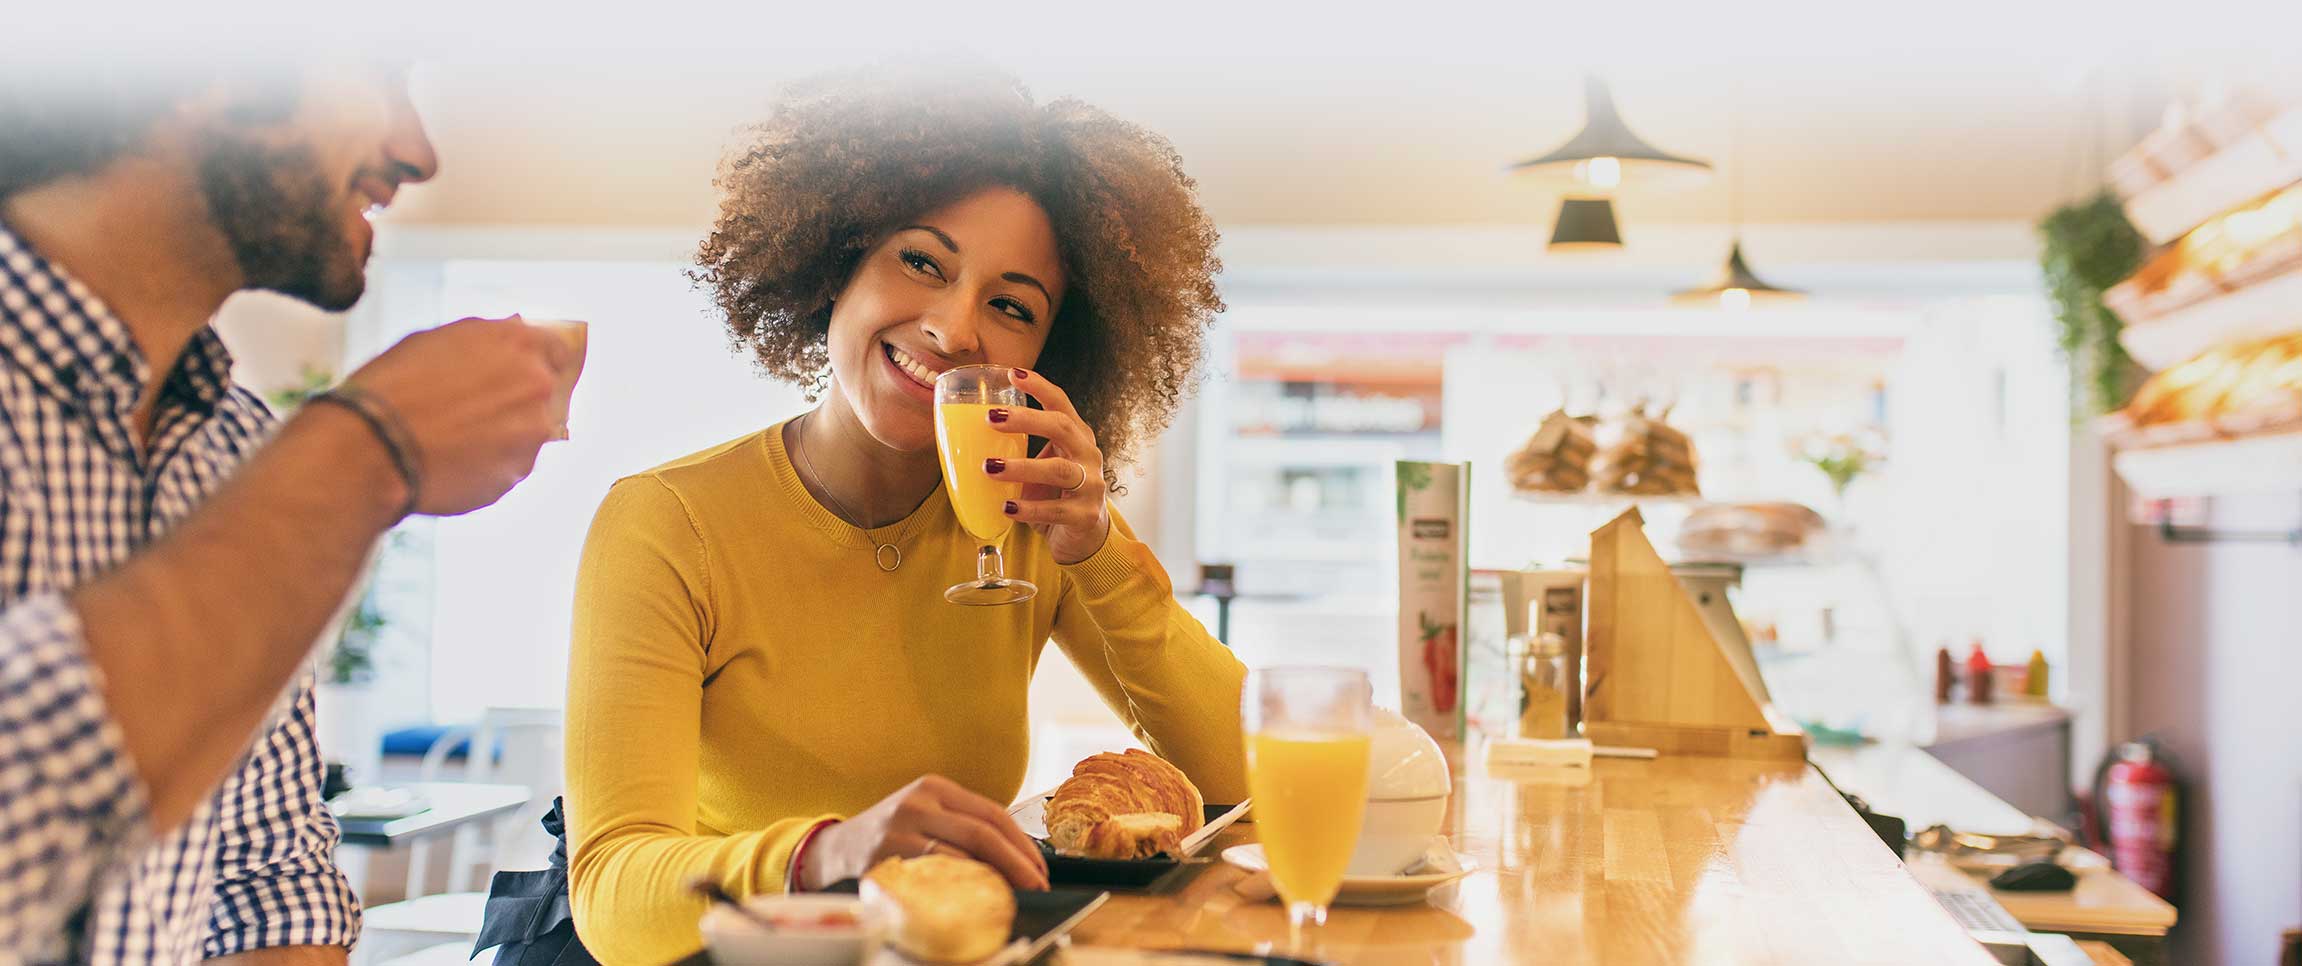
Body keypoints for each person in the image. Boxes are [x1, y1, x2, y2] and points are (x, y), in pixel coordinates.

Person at [561, 65, 1246, 962]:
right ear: (839, 258)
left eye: (1011, 306)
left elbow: (1241, 773)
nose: (957, 329)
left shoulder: (1028, 524)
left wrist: (1099, 550)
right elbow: (611, 899)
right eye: (921, 261)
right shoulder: (667, 523)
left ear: (1051, 351)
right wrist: (831, 853)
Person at [0, 59, 573, 963]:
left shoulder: (236, 443)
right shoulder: (306, 466)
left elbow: (271, 883)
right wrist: (361, 451)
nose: (414, 153)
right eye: (380, 77)